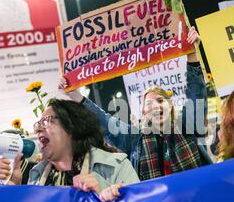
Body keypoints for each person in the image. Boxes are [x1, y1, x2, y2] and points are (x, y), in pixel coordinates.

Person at [62, 27, 212, 181]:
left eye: (160, 101)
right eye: (149, 103)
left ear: (170, 105)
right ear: (144, 112)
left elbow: (196, 96)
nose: (155, 106)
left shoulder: (188, 125)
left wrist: (192, 53)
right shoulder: (134, 139)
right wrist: (75, 96)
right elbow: (105, 121)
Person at [0, 99, 139, 202]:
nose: (38, 128)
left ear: (72, 127)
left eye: (46, 121)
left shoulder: (117, 166)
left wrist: (101, 196)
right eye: (37, 124)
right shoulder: (36, 178)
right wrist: (13, 190)